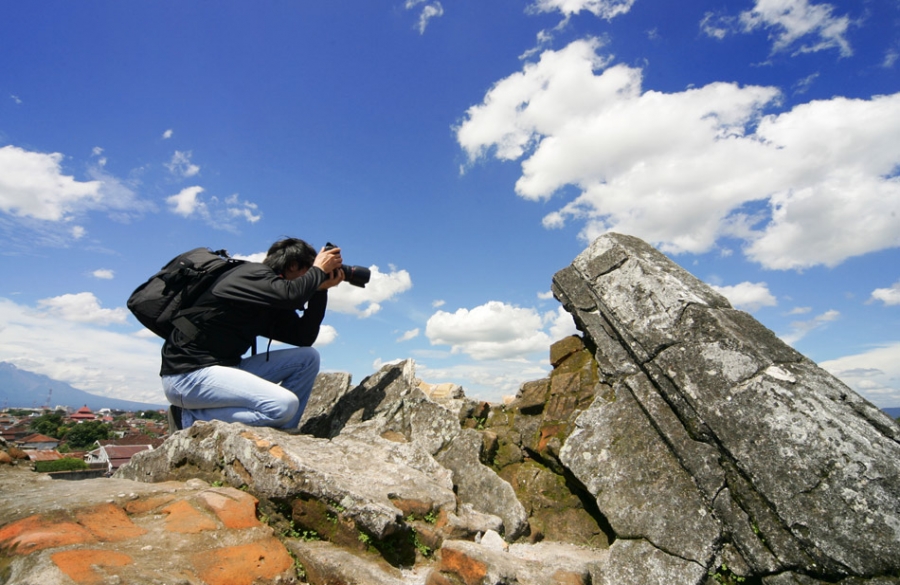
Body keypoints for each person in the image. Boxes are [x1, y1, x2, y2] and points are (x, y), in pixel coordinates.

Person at [161, 237, 345, 432]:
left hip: (225, 368)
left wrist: (320, 291)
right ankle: (187, 417)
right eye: (309, 271)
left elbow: (303, 337)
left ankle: (285, 429)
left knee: (308, 358)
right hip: (186, 376)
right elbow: (292, 295)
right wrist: (319, 270)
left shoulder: (269, 296)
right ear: (293, 265)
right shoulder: (251, 275)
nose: (312, 278)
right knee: (283, 405)